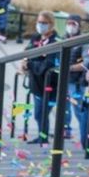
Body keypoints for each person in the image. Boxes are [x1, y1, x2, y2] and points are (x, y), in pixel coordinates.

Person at [20, 11, 59, 144]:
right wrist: (25, 63)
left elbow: (47, 64)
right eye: (39, 22)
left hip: (50, 85)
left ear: (51, 24)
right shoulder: (36, 38)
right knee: (39, 114)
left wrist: (30, 64)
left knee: (42, 113)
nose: (40, 25)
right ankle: (42, 136)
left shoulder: (55, 42)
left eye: (44, 23)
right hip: (36, 84)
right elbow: (28, 52)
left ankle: (44, 137)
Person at [65, 14, 89, 139]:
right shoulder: (63, 39)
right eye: (68, 23)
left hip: (76, 80)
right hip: (63, 79)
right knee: (64, 107)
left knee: (78, 109)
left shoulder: (83, 41)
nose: (70, 26)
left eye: (73, 24)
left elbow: (86, 62)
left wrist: (70, 68)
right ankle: (65, 130)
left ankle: (85, 133)